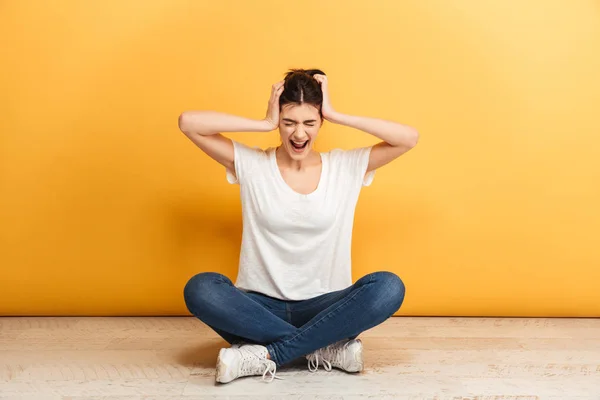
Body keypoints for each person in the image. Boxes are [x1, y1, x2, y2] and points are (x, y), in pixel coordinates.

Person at [178, 68, 419, 384]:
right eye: (288, 122)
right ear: (279, 122)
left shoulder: (345, 167)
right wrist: (261, 123)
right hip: (258, 308)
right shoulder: (252, 164)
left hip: (327, 308)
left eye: (310, 123)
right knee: (201, 288)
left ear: (321, 123)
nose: (299, 133)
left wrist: (336, 114)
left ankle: (270, 354)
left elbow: (408, 138)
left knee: (388, 286)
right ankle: (323, 349)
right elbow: (188, 123)